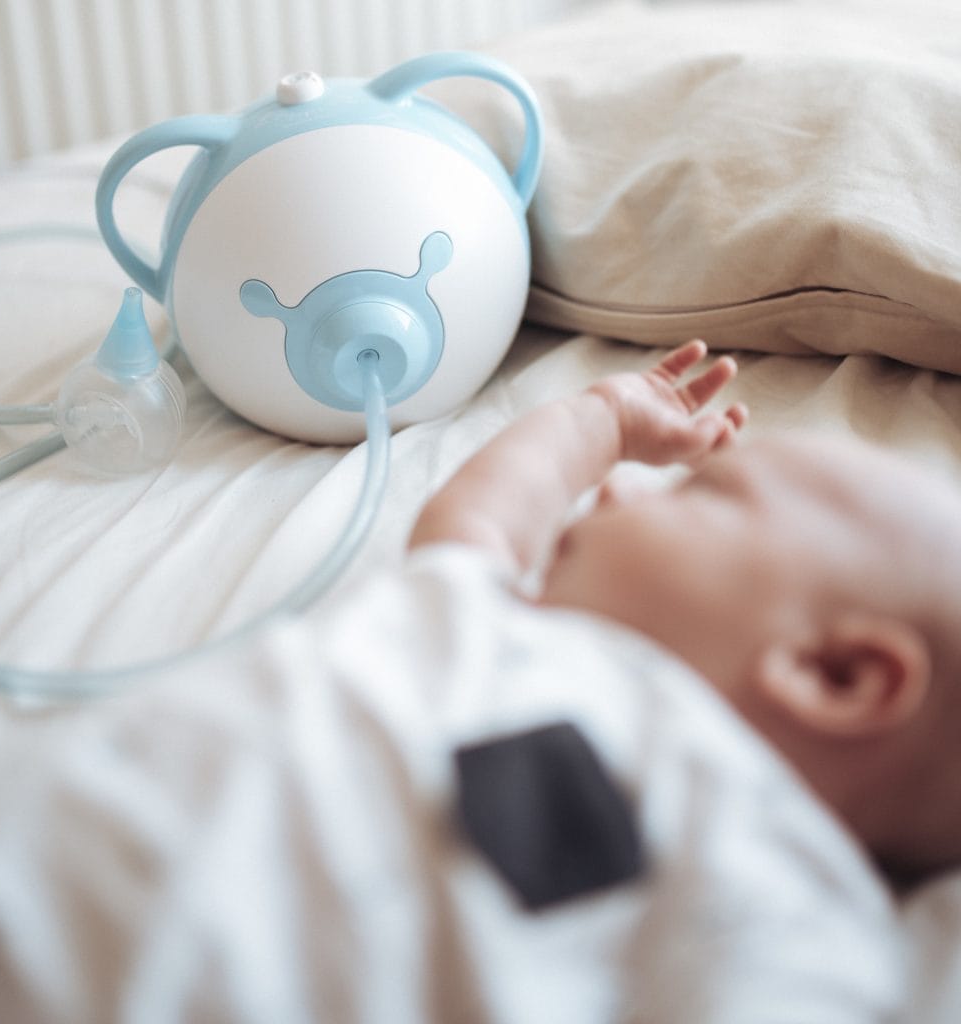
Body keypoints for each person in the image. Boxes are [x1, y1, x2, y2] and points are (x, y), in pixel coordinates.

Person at [410, 339, 961, 885]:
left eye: (695, 493)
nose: (621, 487)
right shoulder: (507, 638)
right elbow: (481, 521)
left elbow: (479, 522)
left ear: (832, 676)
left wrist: (611, 423)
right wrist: (602, 422)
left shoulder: (804, 921)